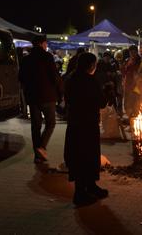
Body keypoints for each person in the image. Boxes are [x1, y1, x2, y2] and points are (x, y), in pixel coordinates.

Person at [64, 52, 108, 206]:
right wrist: (107, 92)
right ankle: (80, 193)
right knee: (86, 156)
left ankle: (91, 186)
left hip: (75, 123)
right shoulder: (90, 81)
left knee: (80, 155)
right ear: (90, 66)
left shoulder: (71, 78)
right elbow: (101, 102)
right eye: (94, 65)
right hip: (87, 124)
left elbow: (68, 99)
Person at [19, 35, 63, 163]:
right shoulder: (47, 57)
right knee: (51, 123)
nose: (46, 45)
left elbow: (21, 78)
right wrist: (61, 93)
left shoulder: (26, 59)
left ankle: (38, 155)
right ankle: (41, 147)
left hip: (32, 97)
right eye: (45, 43)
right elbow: (55, 77)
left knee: (35, 126)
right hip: (47, 96)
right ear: (42, 44)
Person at [123, 45, 141, 118]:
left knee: (135, 104)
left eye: (134, 52)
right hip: (127, 84)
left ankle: (135, 119)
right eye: (131, 52)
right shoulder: (127, 60)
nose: (132, 54)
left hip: (136, 86)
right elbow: (124, 71)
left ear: (136, 52)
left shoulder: (140, 61)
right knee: (127, 104)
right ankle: (130, 118)